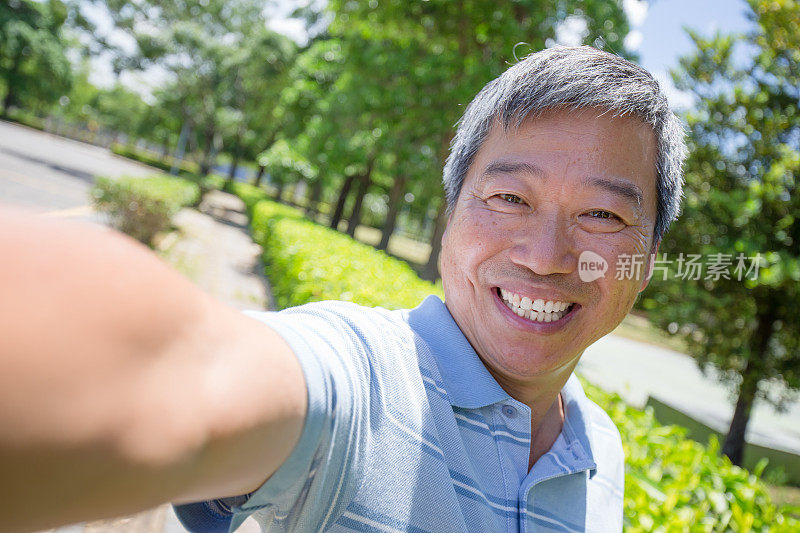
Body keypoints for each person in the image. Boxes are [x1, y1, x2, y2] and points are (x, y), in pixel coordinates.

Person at [0, 45, 685, 533]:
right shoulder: (360, 379)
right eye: (510, 196)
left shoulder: (601, 451)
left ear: (646, 260)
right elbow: (189, 373)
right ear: (449, 222)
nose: (545, 257)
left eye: (602, 214)